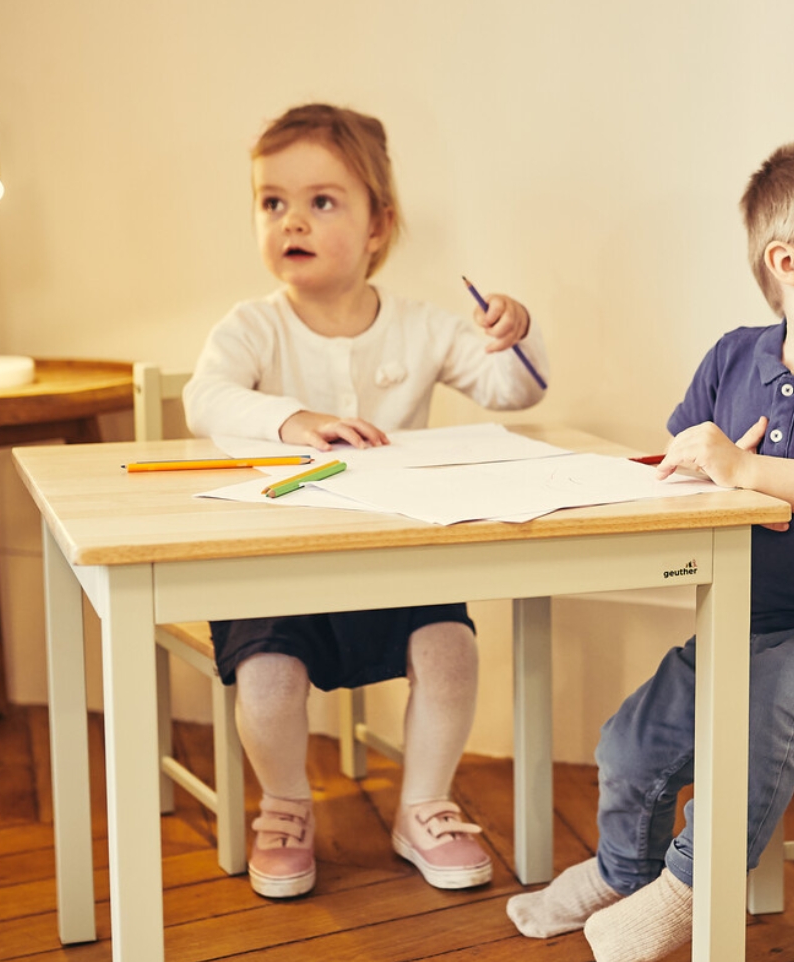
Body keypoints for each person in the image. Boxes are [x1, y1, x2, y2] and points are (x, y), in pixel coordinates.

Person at [507, 134, 794, 962]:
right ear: (789, 262)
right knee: (630, 739)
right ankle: (623, 873)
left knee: (757, 709)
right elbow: (687, 458)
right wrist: (685, 471)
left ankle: (688, 889)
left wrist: (747, 470)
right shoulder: (732, 358)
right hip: (745, 621)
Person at [184, 103, 547, 899]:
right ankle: (285, 805)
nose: (291, 220)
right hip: (271, 564)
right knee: (267, 679)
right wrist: (294, 420)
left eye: (321, 201)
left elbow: (514, 391)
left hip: (393, 556)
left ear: (378, 225)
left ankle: (422, 804)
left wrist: (515, 335)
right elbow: (204, 399)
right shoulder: (251, 328)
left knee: (451, 652)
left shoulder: (422, 327)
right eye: (272, 202)